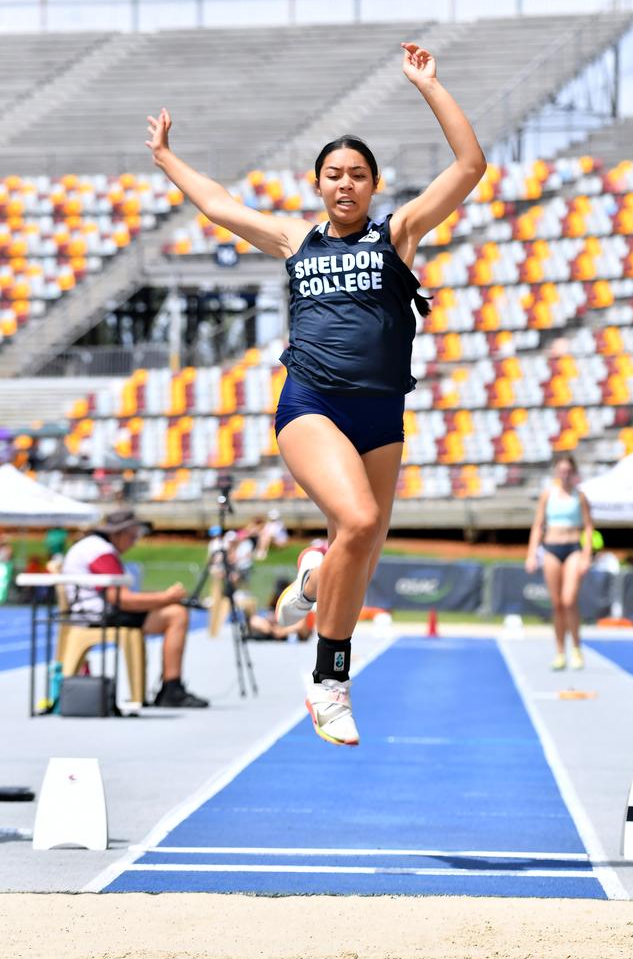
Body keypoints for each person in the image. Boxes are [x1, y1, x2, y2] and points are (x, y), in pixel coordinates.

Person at [146, 42, 486, 744]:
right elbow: (217, 204)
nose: (345, 185)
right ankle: (329, 679)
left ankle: (311, 575)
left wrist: (429, 86)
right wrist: (167, 160)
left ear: (373, 185)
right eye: (334, 174)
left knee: (359, 547)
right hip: (313, 406)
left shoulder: (398, 236)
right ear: (318, 184)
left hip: (381, 413)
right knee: (358, 523)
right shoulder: (293, 241)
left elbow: (470, 167)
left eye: (358, 176)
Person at [63, 509, 208, 708]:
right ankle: (172, 688)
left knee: (171, 608)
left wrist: (161, 599)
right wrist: (166, 598)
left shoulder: (94, 546)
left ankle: (168, 687)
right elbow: (121, 599)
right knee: (177, 615)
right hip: (99, 614)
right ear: (117, 533)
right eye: (132, 537)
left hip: (92, 610)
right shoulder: (101, 552)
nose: (134, 543)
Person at [526, 456, 594, 671]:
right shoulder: (548, 495)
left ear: (573, 473)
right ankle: (559, 652)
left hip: (572, 548)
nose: (564, 475)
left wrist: (586, 555)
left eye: (568, 471)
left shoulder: (579, 497)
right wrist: (531, 554)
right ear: (556, 472)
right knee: (556, 603)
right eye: (561, 471)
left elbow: (589, 527)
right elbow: (538, 525)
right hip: (551, 549)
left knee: (568, 600)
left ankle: (576, 648)